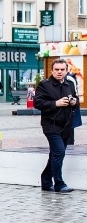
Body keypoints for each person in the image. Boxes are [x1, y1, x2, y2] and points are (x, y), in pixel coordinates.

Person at [35, 59, 78, 193]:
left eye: (62, 70)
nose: (59, 72)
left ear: (66, 70)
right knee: (59, 152)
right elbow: (38, 103)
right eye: (57, 70)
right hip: (51, 125)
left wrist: (74, 102)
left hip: (66, 125)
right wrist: (56, 103)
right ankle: (59, 183)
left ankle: (46, 181)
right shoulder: (44, 85)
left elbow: (76, 100)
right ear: (52, 71)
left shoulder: (68, 84)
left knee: (55, 154)